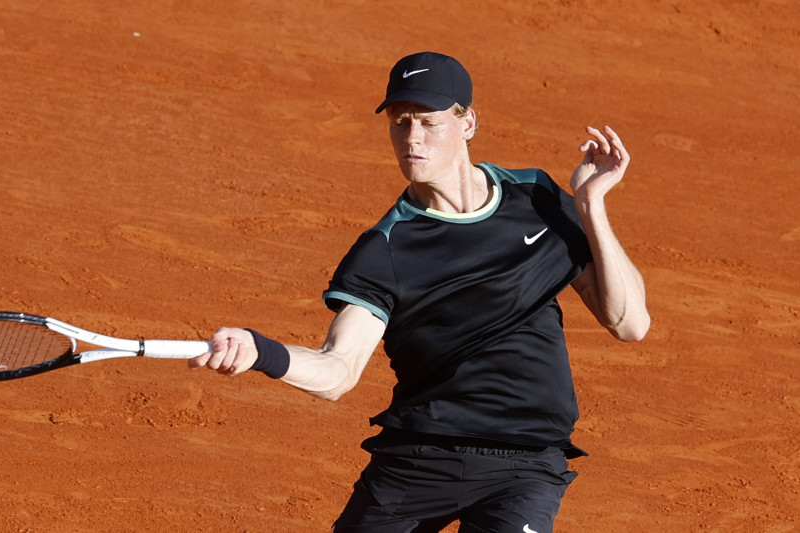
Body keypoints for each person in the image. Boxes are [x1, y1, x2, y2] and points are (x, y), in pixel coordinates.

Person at [189, 51, 650, 533]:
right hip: (419, 458)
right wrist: (261, 351)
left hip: (525, 461)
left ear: (468, 123)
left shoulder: (535, 198)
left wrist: (590, 205)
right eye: (399, 123)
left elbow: (630, 323)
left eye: (429, 123)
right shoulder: (386, 249)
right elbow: (338, 369)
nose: (411, 138)